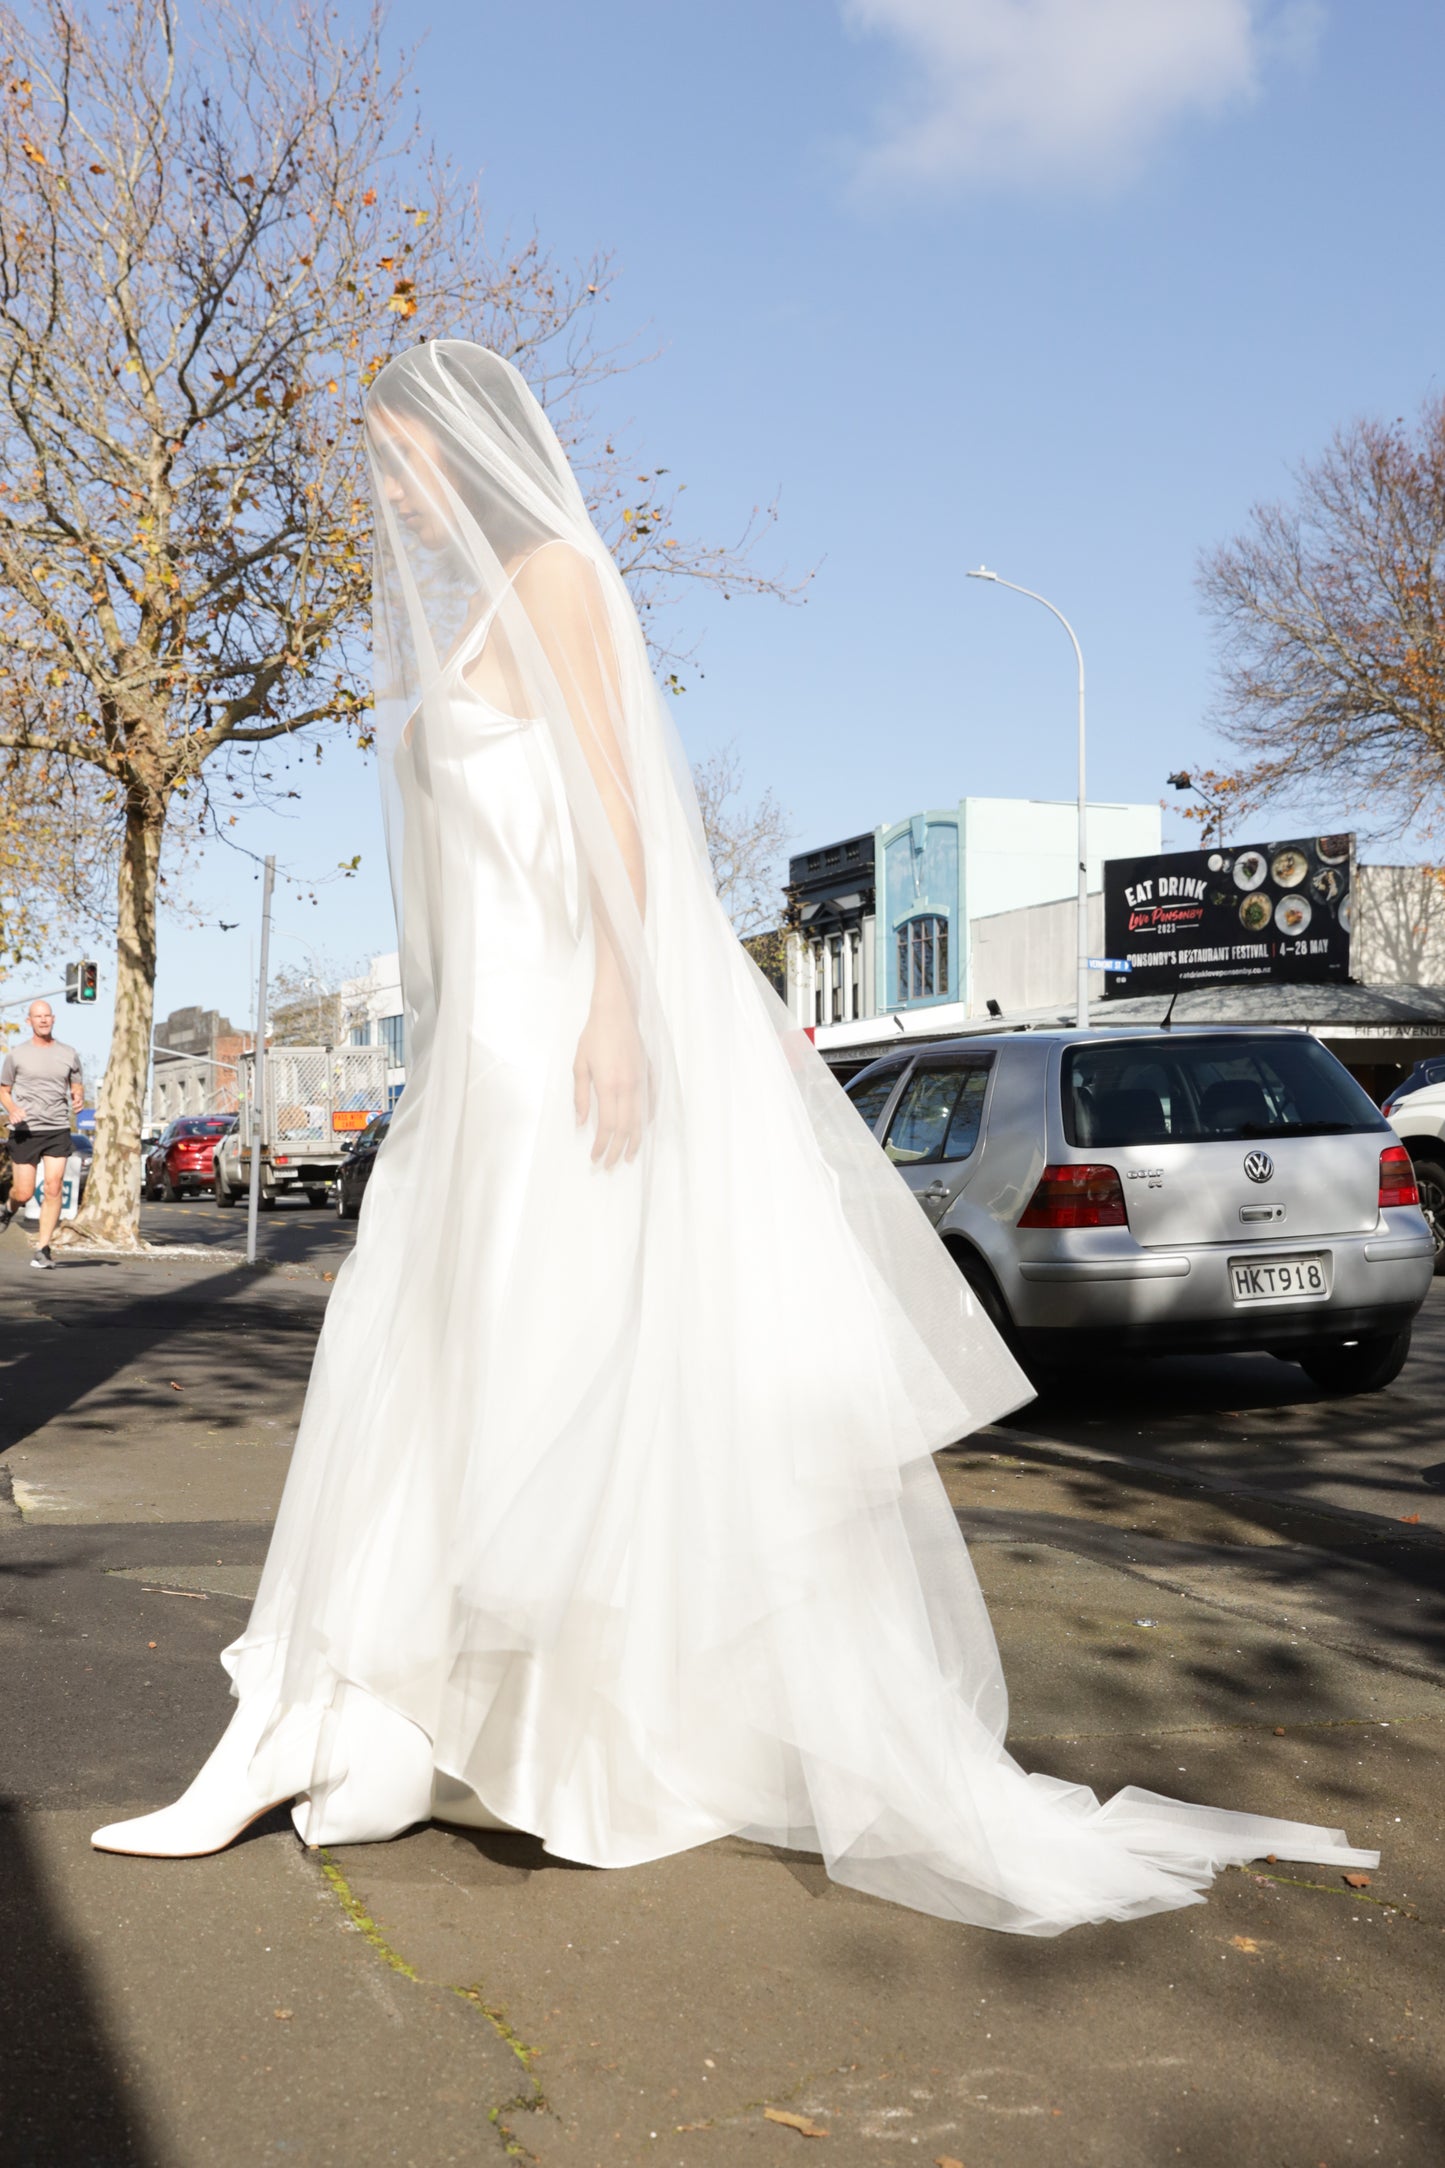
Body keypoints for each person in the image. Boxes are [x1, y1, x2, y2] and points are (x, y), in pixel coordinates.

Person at [91, 345, 1377, 1932]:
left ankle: (436, 1738)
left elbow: (623, 813)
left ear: (465, 450)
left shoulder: (556, 575)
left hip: (566, 1039)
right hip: (477, 1063)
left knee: (559, 1379)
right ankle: (368, 1724)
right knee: (426, 1367)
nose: (389, 488)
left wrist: (622, 1008)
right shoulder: (446, 631)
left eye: (401, 455)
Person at [1, 1001, 84, 1270]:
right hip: (26, 1130)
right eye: (38, 1016)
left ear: (53, 1019)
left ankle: (43, 1248)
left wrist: (78, 1098)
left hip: (57, 1127)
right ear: (29, 1022)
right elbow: (4, 1090)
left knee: (53, 1187)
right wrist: (12, 1109)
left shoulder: (68, 1053)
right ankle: (8, 1209)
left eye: (47, 1015)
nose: (43, 1020)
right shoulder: (16, 1055)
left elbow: (76, 1083)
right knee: (24, 1192)